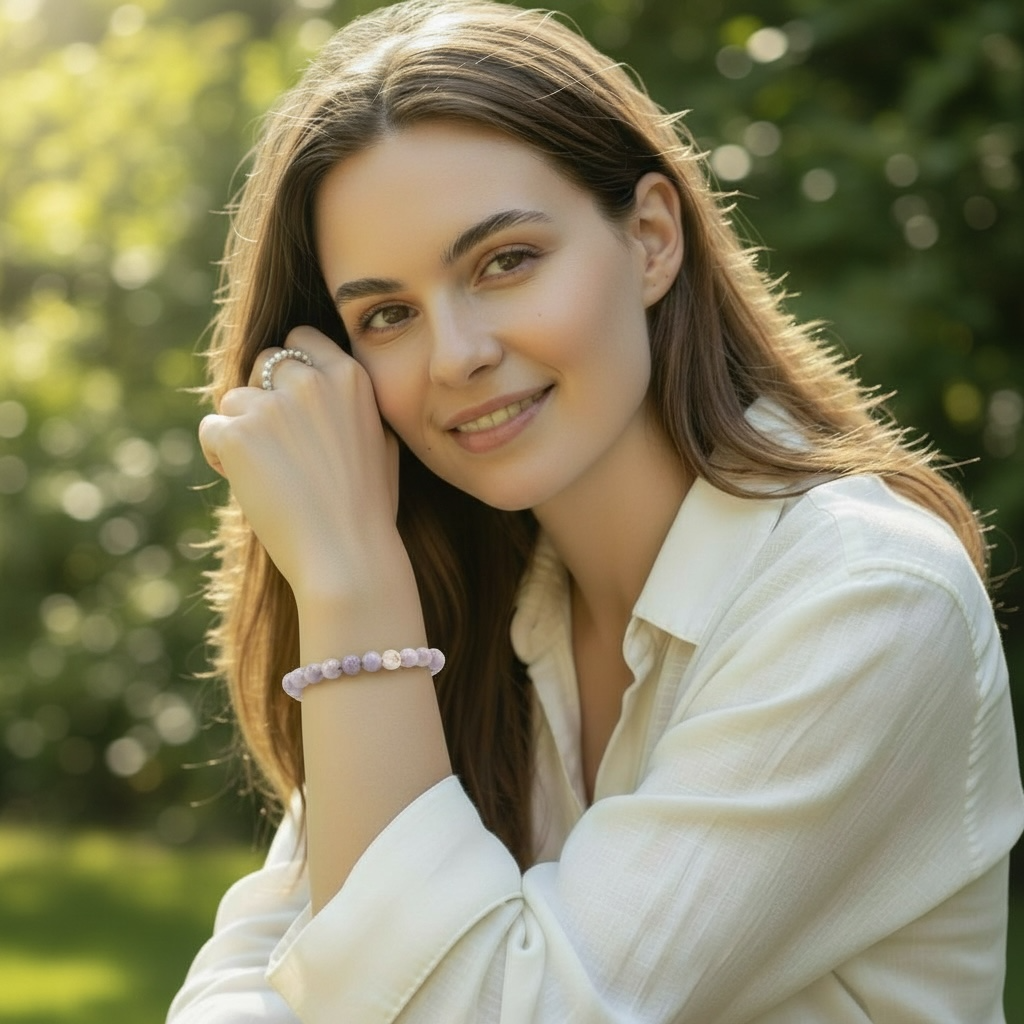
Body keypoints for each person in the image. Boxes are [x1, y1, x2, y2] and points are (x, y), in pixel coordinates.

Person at [168, 0, 1024, 1020]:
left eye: (505, 261)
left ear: (652, 238)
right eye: (386, 314)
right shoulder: (455, 597)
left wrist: (349, 578)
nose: (457, 354)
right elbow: (247, 979)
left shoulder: (865, 599)